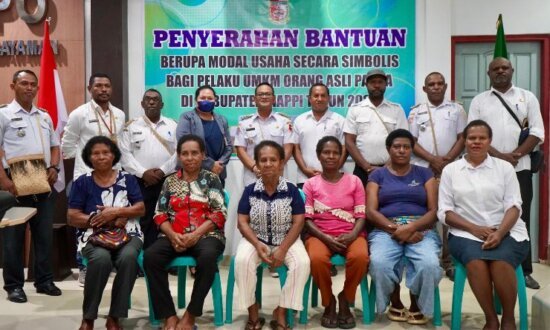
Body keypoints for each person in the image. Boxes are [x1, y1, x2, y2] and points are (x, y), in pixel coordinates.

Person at [438, 120, 530, 330]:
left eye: (482, 138)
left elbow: (514, 205)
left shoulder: (504, 167)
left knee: (501, 261)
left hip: (507, 229)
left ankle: (508, 318)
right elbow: (445, 212)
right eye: (472, 138)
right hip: (465, 233)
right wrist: (475, 229)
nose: (476, 142)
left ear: (490, 141)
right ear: (464, 141)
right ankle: (490, 318)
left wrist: (499, 233)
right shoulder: (451, 170)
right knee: (476, 261)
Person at [468, 57, 544, 289]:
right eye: (496, 69)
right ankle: (488, 260)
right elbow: (472, 132)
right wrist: (501, 157)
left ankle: (524, 270)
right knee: (485, 212)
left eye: (505, 68)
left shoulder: (527, 97)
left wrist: (517, 155)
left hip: (520, 168)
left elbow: (538, 131)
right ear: (488, 73)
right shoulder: (480, 100)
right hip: (487, 167)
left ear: (512, 70)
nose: (500, 71)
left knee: (520, 215)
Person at [143, 134, 226, 330]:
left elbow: (219, 213)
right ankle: (169, 316)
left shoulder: (212, 179)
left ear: (203, 155)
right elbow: (159, 214)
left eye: (194, 153)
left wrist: (195, 235)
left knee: (207, 259)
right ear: (179, 156)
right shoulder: (169, 181)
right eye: (185, 154)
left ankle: (190, 315)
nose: (190, 158)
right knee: (150, 257)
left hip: (207, 236)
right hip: (174, 236)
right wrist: (173, 235)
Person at [67, 136, 145, 330]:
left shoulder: (128, 179)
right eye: (96, 153)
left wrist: (118, 211)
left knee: (128, 259)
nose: (101, 156)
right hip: (92, 235)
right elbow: (72, 216)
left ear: (114, 155)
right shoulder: (81, 182)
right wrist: (102, 219)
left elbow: (140, 208)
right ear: (89, 157)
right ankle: (89, 317)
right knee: (100, 259)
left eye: (106, 152)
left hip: (129, 233)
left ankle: (114, 316)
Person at [365, 129, 442, 325]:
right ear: (388, 149)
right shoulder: (377, 175)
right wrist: (395, 229)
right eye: (397, 146)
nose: (401, 151)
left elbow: (434, 211)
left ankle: (417, 304)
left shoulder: (425, 174)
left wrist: (412, 228)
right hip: (386, 229)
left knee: (429, 264)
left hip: (421, 227)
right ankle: (395, 300)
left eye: (406, 147)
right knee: (379, 263)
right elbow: (371, 211)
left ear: (412, 150)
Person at [0, 70, 62, 303]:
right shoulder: (4, 114)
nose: (29, 88)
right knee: (13, 238)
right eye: (24, 83)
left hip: (42, 179)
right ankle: (14, 286)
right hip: (14, 181)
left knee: (43, 235)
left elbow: (55, 145)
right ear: (13, 85)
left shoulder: (44, 116)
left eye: (33, 84)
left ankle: (44, 281)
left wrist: (54, 167)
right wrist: (4, 181)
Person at [234, 140, 310, 330]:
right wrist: (257, 243)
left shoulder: (292, 190)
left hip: (288, 240)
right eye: (263, 160)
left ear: (282, 163)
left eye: (273, 160)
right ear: (257, 164)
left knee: (303, 263)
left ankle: (282, 311)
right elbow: (242, 222)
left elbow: (298, 222)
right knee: (242, 261)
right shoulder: (250, 191)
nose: (268, 164)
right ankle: (253, 314)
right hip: (255, 240)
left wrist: (283, 248)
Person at [62, 73, 126, 285]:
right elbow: (68, 146)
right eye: (98, 86)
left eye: (107, 85)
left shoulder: (119, 114)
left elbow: (121, 146)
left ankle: (107, 264)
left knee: (111, 220)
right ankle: (84, 267)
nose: (103, 89)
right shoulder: (79, 114)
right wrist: (87, 165)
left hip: (114, 178)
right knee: (85, 223)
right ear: (90, 88)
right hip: (87, 178)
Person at [303, 136, 368, 329]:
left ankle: (345, 299)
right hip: (319, 234)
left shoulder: (354, 181)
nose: (331, 156)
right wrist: (325, 238)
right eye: (326, 152)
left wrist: (352, 235)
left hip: (351, 233)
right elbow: (307, 219)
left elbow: (361, 214)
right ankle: (329, 301)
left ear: (341, 157)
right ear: (318, 156)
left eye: (335, 153)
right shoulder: (310, 184)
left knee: (361, 257)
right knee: (316, 259)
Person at [408, 72, 467, 281]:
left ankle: (448, 260)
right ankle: (429, 255)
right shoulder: (416, 112)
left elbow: (463, 137)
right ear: (424, 89)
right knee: (429, 213)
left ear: (445, 86)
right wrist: (433, 160)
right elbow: (411, 141)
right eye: (431, 84)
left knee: (450, 214)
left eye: (439, 84)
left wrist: (447, 160)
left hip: (450, 168)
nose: (435, 87)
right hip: (424, 170)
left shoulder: (456, 109)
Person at [119, 89, 176, 250]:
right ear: (142, 104)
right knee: (142, 220)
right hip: (139, 181)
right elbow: (124, 154)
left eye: (155, 99)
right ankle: (141, 260)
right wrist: (143, 173)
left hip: (167, 180)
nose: (151, 102)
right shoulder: (130, 127)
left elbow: (179, 153)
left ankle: (166, 260)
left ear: (162, 104)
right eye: (148, 99)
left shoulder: (173, 124)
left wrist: (162, 171)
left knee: (167, 218)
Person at [344, 69, 408, 187]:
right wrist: (366, 167)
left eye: (380, 82)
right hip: (362, 171)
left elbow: (403, 141)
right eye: (373, 82)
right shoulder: (355, 109)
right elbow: (349, 141)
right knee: (362, 205)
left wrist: (387, 167)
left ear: (386, 85)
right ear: (366, 85)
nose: (377, 85)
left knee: (389, 204)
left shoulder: (396, 109)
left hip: (392, 170)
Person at [235, 82, 294, 187]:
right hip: (252, 178)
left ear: (273, 98)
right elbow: (240, 150)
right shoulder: (244, 123)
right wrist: (254, 168)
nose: (264, 97)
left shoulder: (284, 121)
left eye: (267, 94)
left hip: (278, 177)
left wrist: (276, 168)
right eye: (260, 94)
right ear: (255, 99)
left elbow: (288, 148)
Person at [175, 85, 232, 187]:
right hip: (192, 174)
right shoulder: (187, 117)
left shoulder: (222, 120)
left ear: (215, 100)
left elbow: (229, 146)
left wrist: (220, 164)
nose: (206, 100)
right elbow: (184, 144)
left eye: (210, 98)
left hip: (217, 174)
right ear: (196, 100)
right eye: (202, 98)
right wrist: (211, 164)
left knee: (216, 202)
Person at [293, 83, 346, 189]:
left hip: (334, 178)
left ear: (328, 98)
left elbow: (344, 148)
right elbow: (295, 148)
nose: (319, 99)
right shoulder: (300, 120)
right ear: (309, 98)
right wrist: (304, 169)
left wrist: (333, 170)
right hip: (305, 178)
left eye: (323, 95)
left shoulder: (339, 120)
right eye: (316, 95)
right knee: (306, 206)